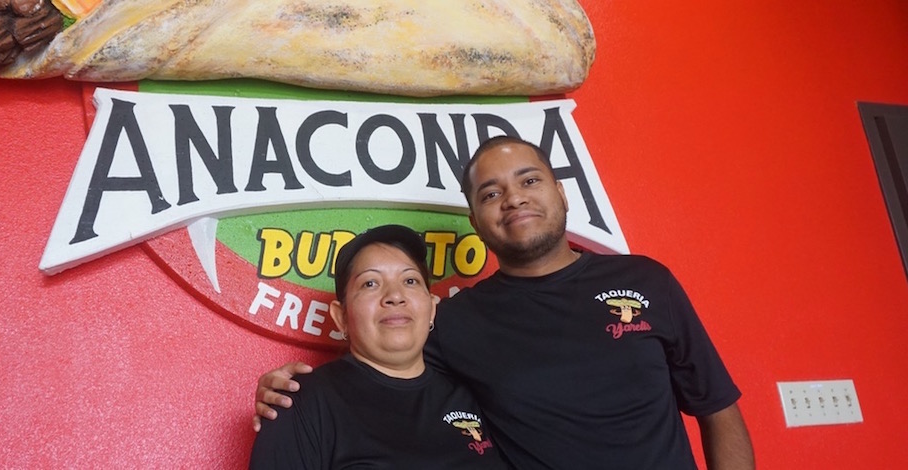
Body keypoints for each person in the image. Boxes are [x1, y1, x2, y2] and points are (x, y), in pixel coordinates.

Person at [254, 136, 755, 469]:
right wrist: (290, 395)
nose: (514, 199)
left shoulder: (646, 281)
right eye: (491, 193)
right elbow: (382, 365)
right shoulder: (454, 320)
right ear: (475, 218)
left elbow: (719, 410)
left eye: (529, 180)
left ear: (560, 193)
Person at [248, 224, 510, 469]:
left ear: (431, 308)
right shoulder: (302, 399)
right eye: (370, 283)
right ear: (341, 317)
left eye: (410, 281)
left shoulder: (472, 395)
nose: (395, 296)